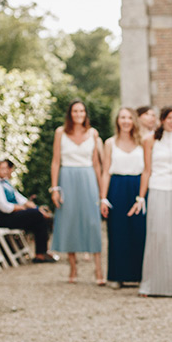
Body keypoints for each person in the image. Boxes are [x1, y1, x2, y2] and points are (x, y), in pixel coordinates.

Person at [130, 106, 172, 297]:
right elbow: (147, 170)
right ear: (162, 120)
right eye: (169, 118)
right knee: (158, 235)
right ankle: (152, 284)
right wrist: (140, 197)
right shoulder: (149, 140)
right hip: (158, 189)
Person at [50, 100, 106, 285]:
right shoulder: (60, 132)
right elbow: (56, 161)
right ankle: (73, 267)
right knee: (69, 221)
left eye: (81, 111)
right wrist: (55, 188)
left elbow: (97, 164)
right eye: (75, 111)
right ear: (70, 114)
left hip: (88, 177)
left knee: (92, 222)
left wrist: (101, 192)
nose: (78, 114)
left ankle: (98, 269)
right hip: (67, 178)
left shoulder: (93, 133)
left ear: (85, 114)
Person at [100, 107, 146, 288]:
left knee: (139, 230)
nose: (126, 121)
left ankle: (140, 274)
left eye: (129, 118)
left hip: (138, 186)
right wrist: (103, 198)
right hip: (117, 187)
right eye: (122, 118)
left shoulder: (143, 142)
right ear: (117, 121)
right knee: (117, 231)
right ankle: (118, 275)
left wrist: (142, 194)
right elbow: (105, 172)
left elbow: (148, 170)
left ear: (134, 120)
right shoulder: (110, 143)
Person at [0, 159, 55, 264]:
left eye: (6, 168)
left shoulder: (6, 183)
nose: (6, 171)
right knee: (37, 215)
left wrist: (35, 207)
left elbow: (21, 199)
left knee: (39, 216)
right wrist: (26, 208)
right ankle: (41, 253)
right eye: (2, 169)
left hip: (13, 215)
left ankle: (41, 253)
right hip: (2, 218)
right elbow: (5, 207)